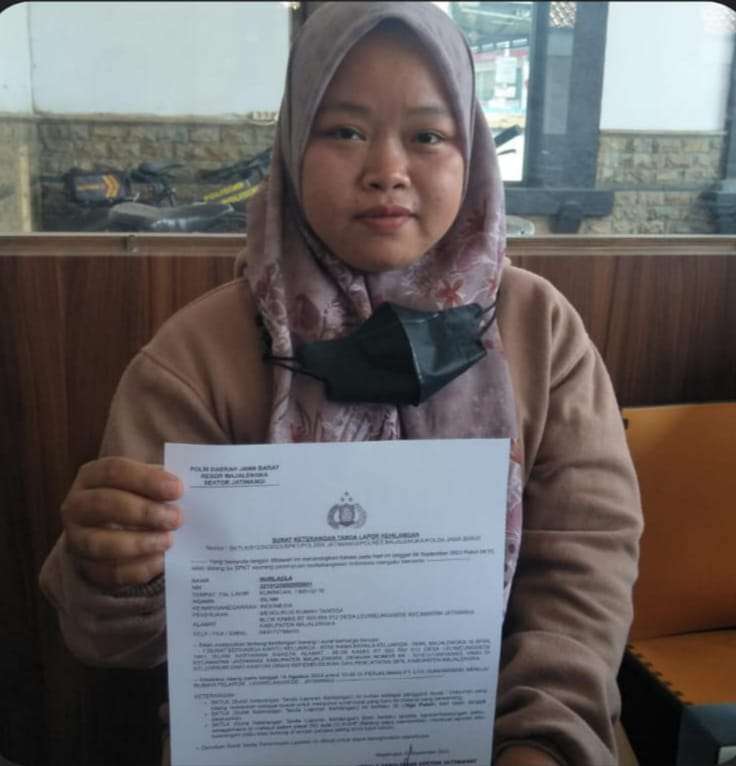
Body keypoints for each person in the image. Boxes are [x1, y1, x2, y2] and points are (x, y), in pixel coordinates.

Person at [39, 3, 642, 765]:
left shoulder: (539, 332)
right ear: (293, 146)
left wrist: (543, 741)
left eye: (428, 136)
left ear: (474, 152)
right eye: (344, 131)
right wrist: (112, 572)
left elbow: (583, 567)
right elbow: (121, 642)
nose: (387, 168)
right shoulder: (195, 356)